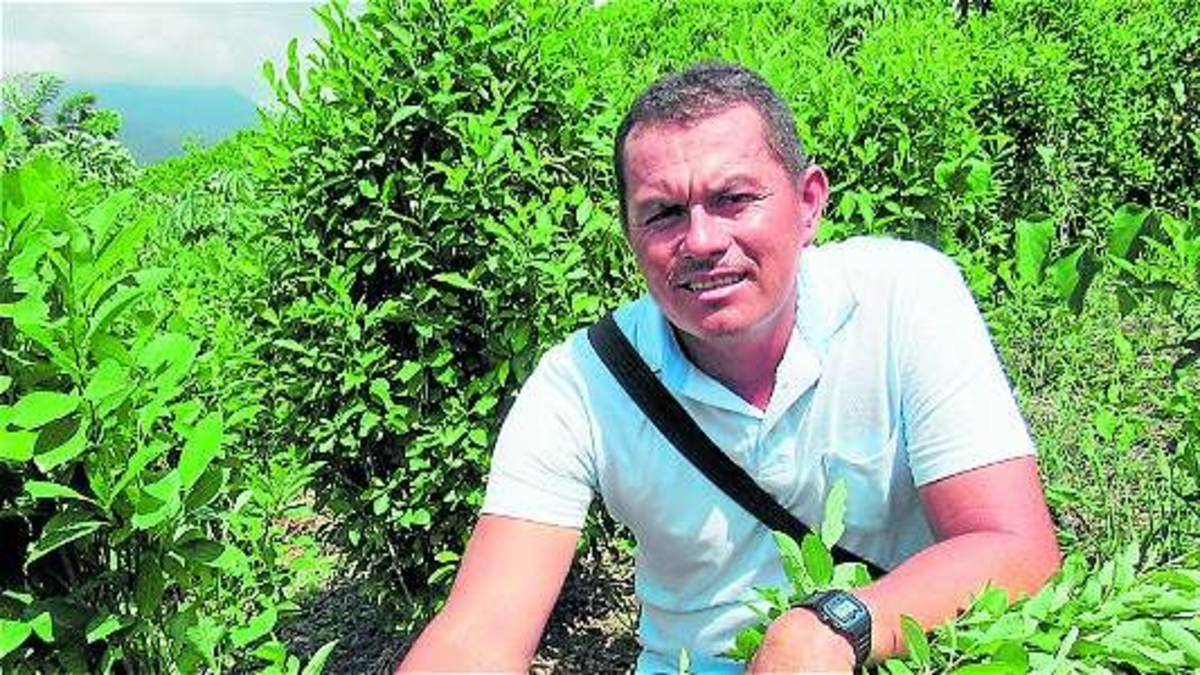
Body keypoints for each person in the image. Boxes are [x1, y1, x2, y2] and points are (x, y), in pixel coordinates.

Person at [398, 61, 1060, 674]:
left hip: (899, 647)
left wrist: (832, 627)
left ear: (808, 203)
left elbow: (1014, 546)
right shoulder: (579, 385)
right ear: (629, 234)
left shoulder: (904, 296)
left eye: (734, 198)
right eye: (663, 213)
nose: (702, 240)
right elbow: (478, 635)